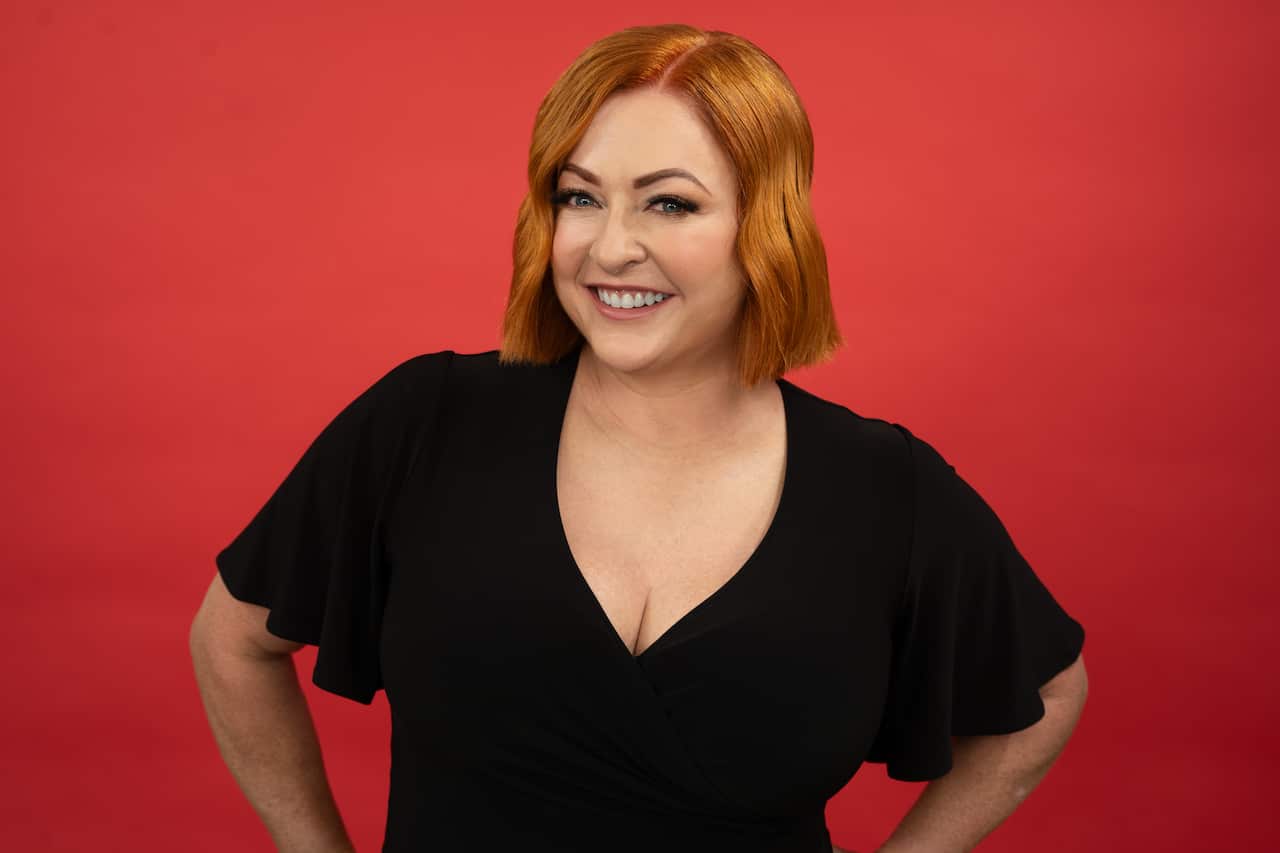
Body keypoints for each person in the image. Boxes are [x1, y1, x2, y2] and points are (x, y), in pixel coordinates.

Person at [189, 23, 1087, 853]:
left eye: (669, 205)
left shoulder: (886, 490)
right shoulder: (425, 421)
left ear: (766, 227)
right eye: (580, 197)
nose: (610, 247)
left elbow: (1050, 690)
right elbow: (230, 640)